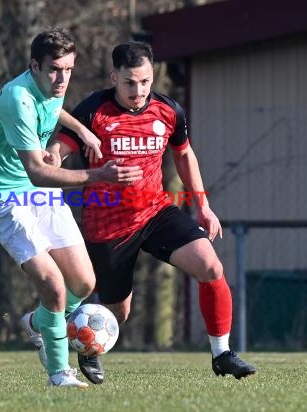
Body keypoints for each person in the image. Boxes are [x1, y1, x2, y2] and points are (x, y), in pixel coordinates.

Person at [50, 41, 257, 384]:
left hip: (156, 211)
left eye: (145, 82)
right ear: (114, 76)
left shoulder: (168, 110)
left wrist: (202, 206)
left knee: (210, 265)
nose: (138, 90)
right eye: (130, 82)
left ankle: (222, 353)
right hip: (109, 224)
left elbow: (184, 155)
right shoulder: (92, 111)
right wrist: (51, 157)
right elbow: (61, 148)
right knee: (119, 312)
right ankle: (87, 348)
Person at [0, 29, 143, 388]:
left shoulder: (49, 88)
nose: (62, 78)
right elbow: (38, 172)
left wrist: (84, 131)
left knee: (83, 281)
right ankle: (59, 372)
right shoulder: (17, 100)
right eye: (54, 70)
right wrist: (99, 175)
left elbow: (55, 109)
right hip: (4, 196)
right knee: (53, 285)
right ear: (34, 66)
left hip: (36, 192)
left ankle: (39, 324)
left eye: (68, 69)